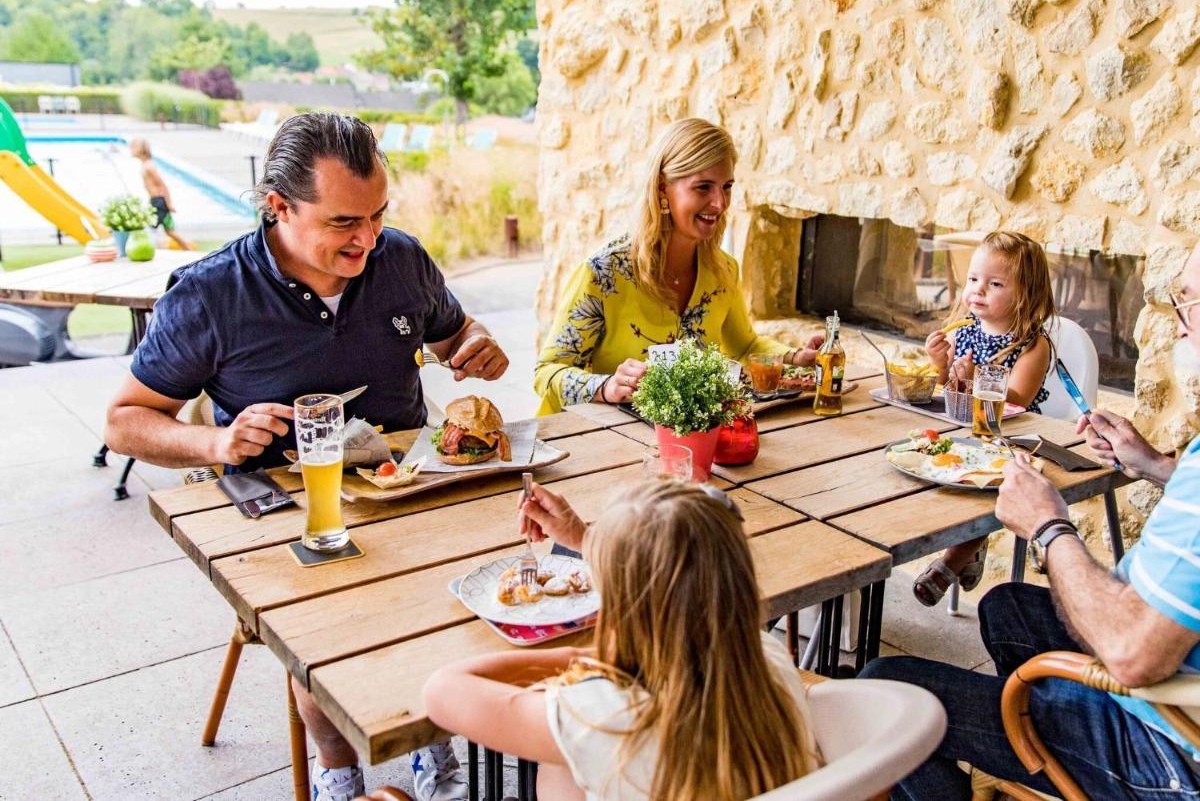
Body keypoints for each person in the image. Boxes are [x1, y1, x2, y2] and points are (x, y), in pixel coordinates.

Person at [106, 113, 510, 801]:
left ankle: (433, 741)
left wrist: (477, 345)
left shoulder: (401, 259)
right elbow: (125, 422)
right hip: (287, 511)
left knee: (485, 588)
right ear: (278, 207)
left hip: (409, 485)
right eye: (344, 223)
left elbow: (453, 334)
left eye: (378, 215)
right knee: (326, 630)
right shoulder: (208, 295)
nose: (368, 239)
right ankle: (338, 770)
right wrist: (214, 442)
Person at [861, 241, 1200, 799]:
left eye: (1186, 304)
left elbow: (1132, 654)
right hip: (1165, 680)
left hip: (1162, 746)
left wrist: (1049, 525)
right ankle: (1036, 747)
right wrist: (1158, 467)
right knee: (1006, 604)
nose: (1179, 324)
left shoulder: (1030, 342)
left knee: (884, 690)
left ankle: (1048, 743)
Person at [418, 478, 822, 799]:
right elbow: (675, 577)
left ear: (625, 614)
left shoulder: (607, 718)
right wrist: (582, 537)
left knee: (562, 769)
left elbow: (441, 690)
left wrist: (583, 656)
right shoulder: (768, 658)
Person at [533, 117, 822, 415]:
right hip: (592, 444)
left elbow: (745, 346)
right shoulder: (603, 274)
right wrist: (605, 387)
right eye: (703, 187)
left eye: (726, 187)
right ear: (662, 190)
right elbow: (547, 372)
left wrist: (796, 357)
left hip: (681, 441)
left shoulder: (724, 271)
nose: (720, 203)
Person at [913, 231, 1056, 606]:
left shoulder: (1032, 344)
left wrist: (978, 378)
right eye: (974, 279)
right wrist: (940, 364)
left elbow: (1019, 398)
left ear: (1024, 295)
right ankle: (970, 549)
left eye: (994, 284)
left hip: (1013, 438)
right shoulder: (966, 331)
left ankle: (951, 561)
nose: (978, 290)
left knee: (990, 483)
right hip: (965, 431)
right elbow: (947, 387)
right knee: (931, 462)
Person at [129, 137, 196, 250]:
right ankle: (188, 248)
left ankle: (153, 249)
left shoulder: (149, 166)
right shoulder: (146, 164)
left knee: (151, 228)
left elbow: (162, 185)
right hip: (155, 201)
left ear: (140, 149)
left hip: (158, 202)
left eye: (132, 148)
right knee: (169, 230)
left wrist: (169, 204)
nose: (130, 150)